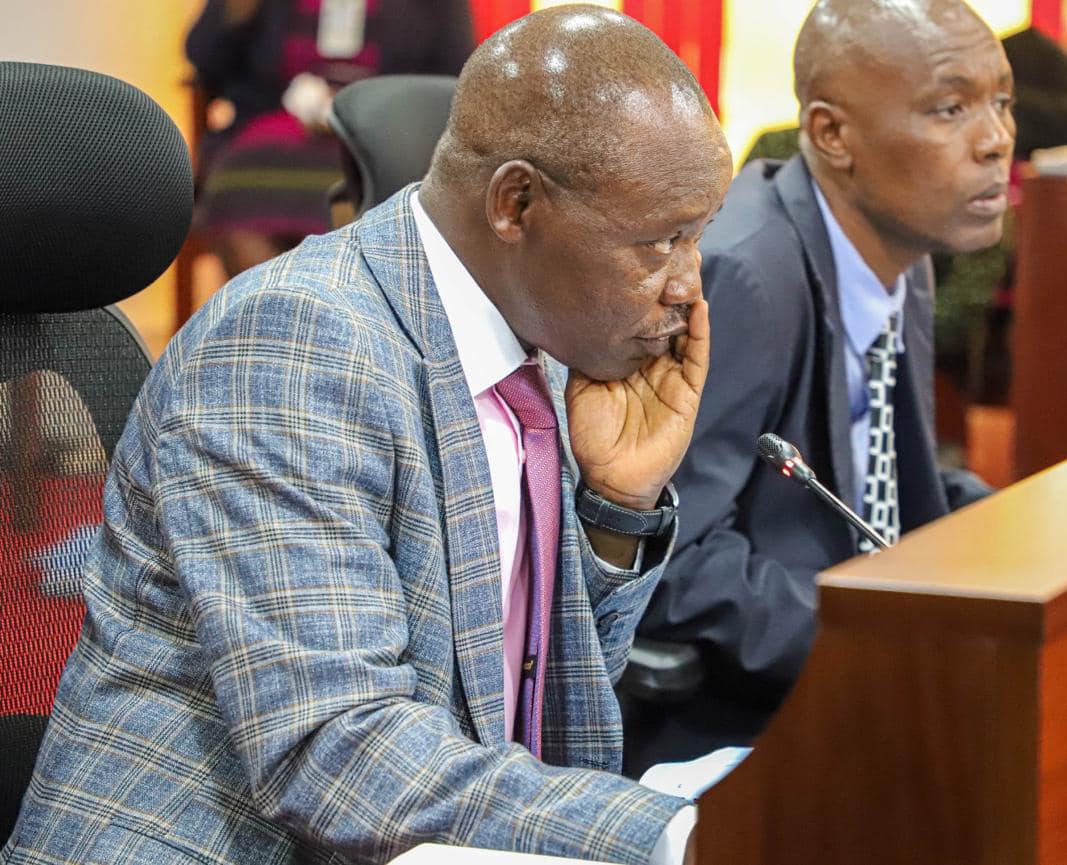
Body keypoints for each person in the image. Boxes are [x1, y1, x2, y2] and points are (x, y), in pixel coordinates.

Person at [2, 6, 732, 864]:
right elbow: (338, 752)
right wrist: (683, 834)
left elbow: (543, 705)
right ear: (518, 203)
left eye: (699, 236)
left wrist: (615, 504)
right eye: (662, 240)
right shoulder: (293, 341)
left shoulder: (550, 338)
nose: (687, 284)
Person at [625, 0, 1013, 773]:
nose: (996, 139)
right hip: (740, 726)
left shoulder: (903, 249)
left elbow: (884, 484)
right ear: (834, 135)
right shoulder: (745, 274)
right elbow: (668, 559)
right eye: (951, 108)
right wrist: (879, 638)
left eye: (1002, 101)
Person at [186, 0, 474, 276]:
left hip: (379, 132)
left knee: (373, 198)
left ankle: (338, 316)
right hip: (274, 124)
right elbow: (203, 56)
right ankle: (275, 316)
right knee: (235, 195)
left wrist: (364, 102)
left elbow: (456, 70)